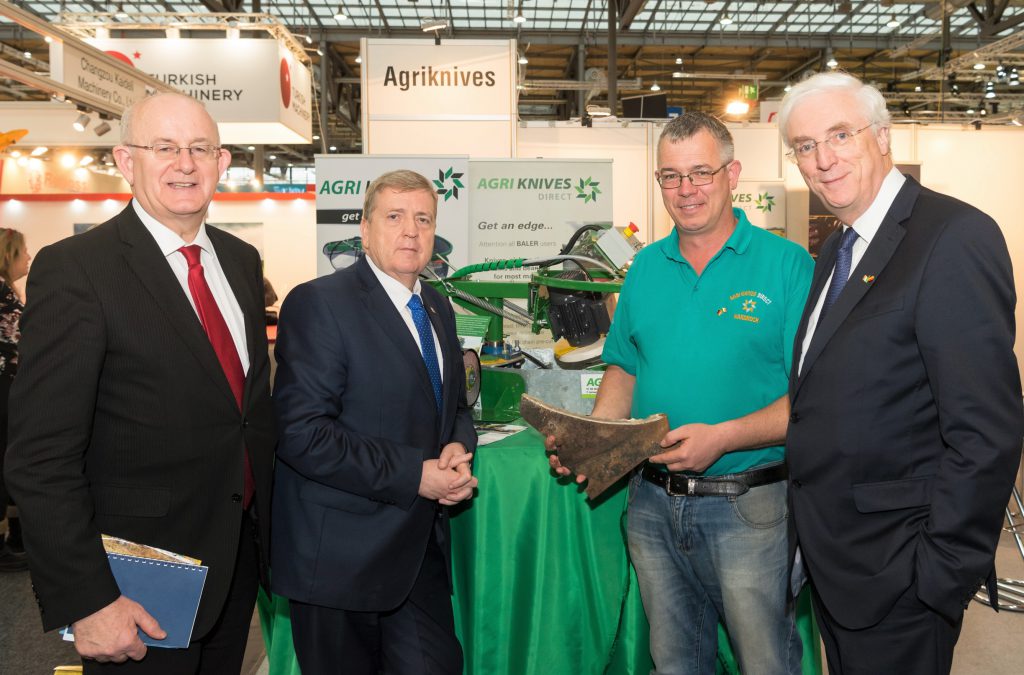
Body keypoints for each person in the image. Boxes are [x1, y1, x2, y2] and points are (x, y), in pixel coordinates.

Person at [4, 92, 275, 674]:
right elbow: (40, 457)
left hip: (235, 566)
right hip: (135, 585)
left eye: (200, 148)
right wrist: (88, 600)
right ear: (127, 161)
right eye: (165, 148)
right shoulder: (78, 269)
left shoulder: (240, 261)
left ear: (222, 162)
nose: (185, 164)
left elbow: (243, 415)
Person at [548, 112, 813, 675]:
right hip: (652, 505)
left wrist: (723, 438)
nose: (685, 189)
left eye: (700, 173)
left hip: (749, 505)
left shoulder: (788, 265)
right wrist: (596, 438)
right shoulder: (645, 267)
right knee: (673, 663)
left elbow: (812, 399)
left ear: (732, 174)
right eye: (670, 176)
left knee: (765, 661)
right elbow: (624, 369)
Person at [780, 71, 1024, 674]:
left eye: (841, 134)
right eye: (806, 146)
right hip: (839, 567)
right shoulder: (838, 248)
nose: (824, 159)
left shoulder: (953, 236)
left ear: (883, 136)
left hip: (901, 578)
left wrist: (937, 577)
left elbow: (986, 432)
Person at [271, 169, 478, 675]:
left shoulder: (437, 307)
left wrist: (457, 446)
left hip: (417, 554)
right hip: (340, 561)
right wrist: (415, 475)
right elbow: (302, 433)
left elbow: (454, 407)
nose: (411, 231)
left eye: (423, 219)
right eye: (394, 217)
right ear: (364, 230)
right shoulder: (320, 303)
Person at [0, 227, 30, 573]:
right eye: (24, 251)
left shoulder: (7, 291)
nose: (29, 257)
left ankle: (16, 539)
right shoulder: (3, 292)